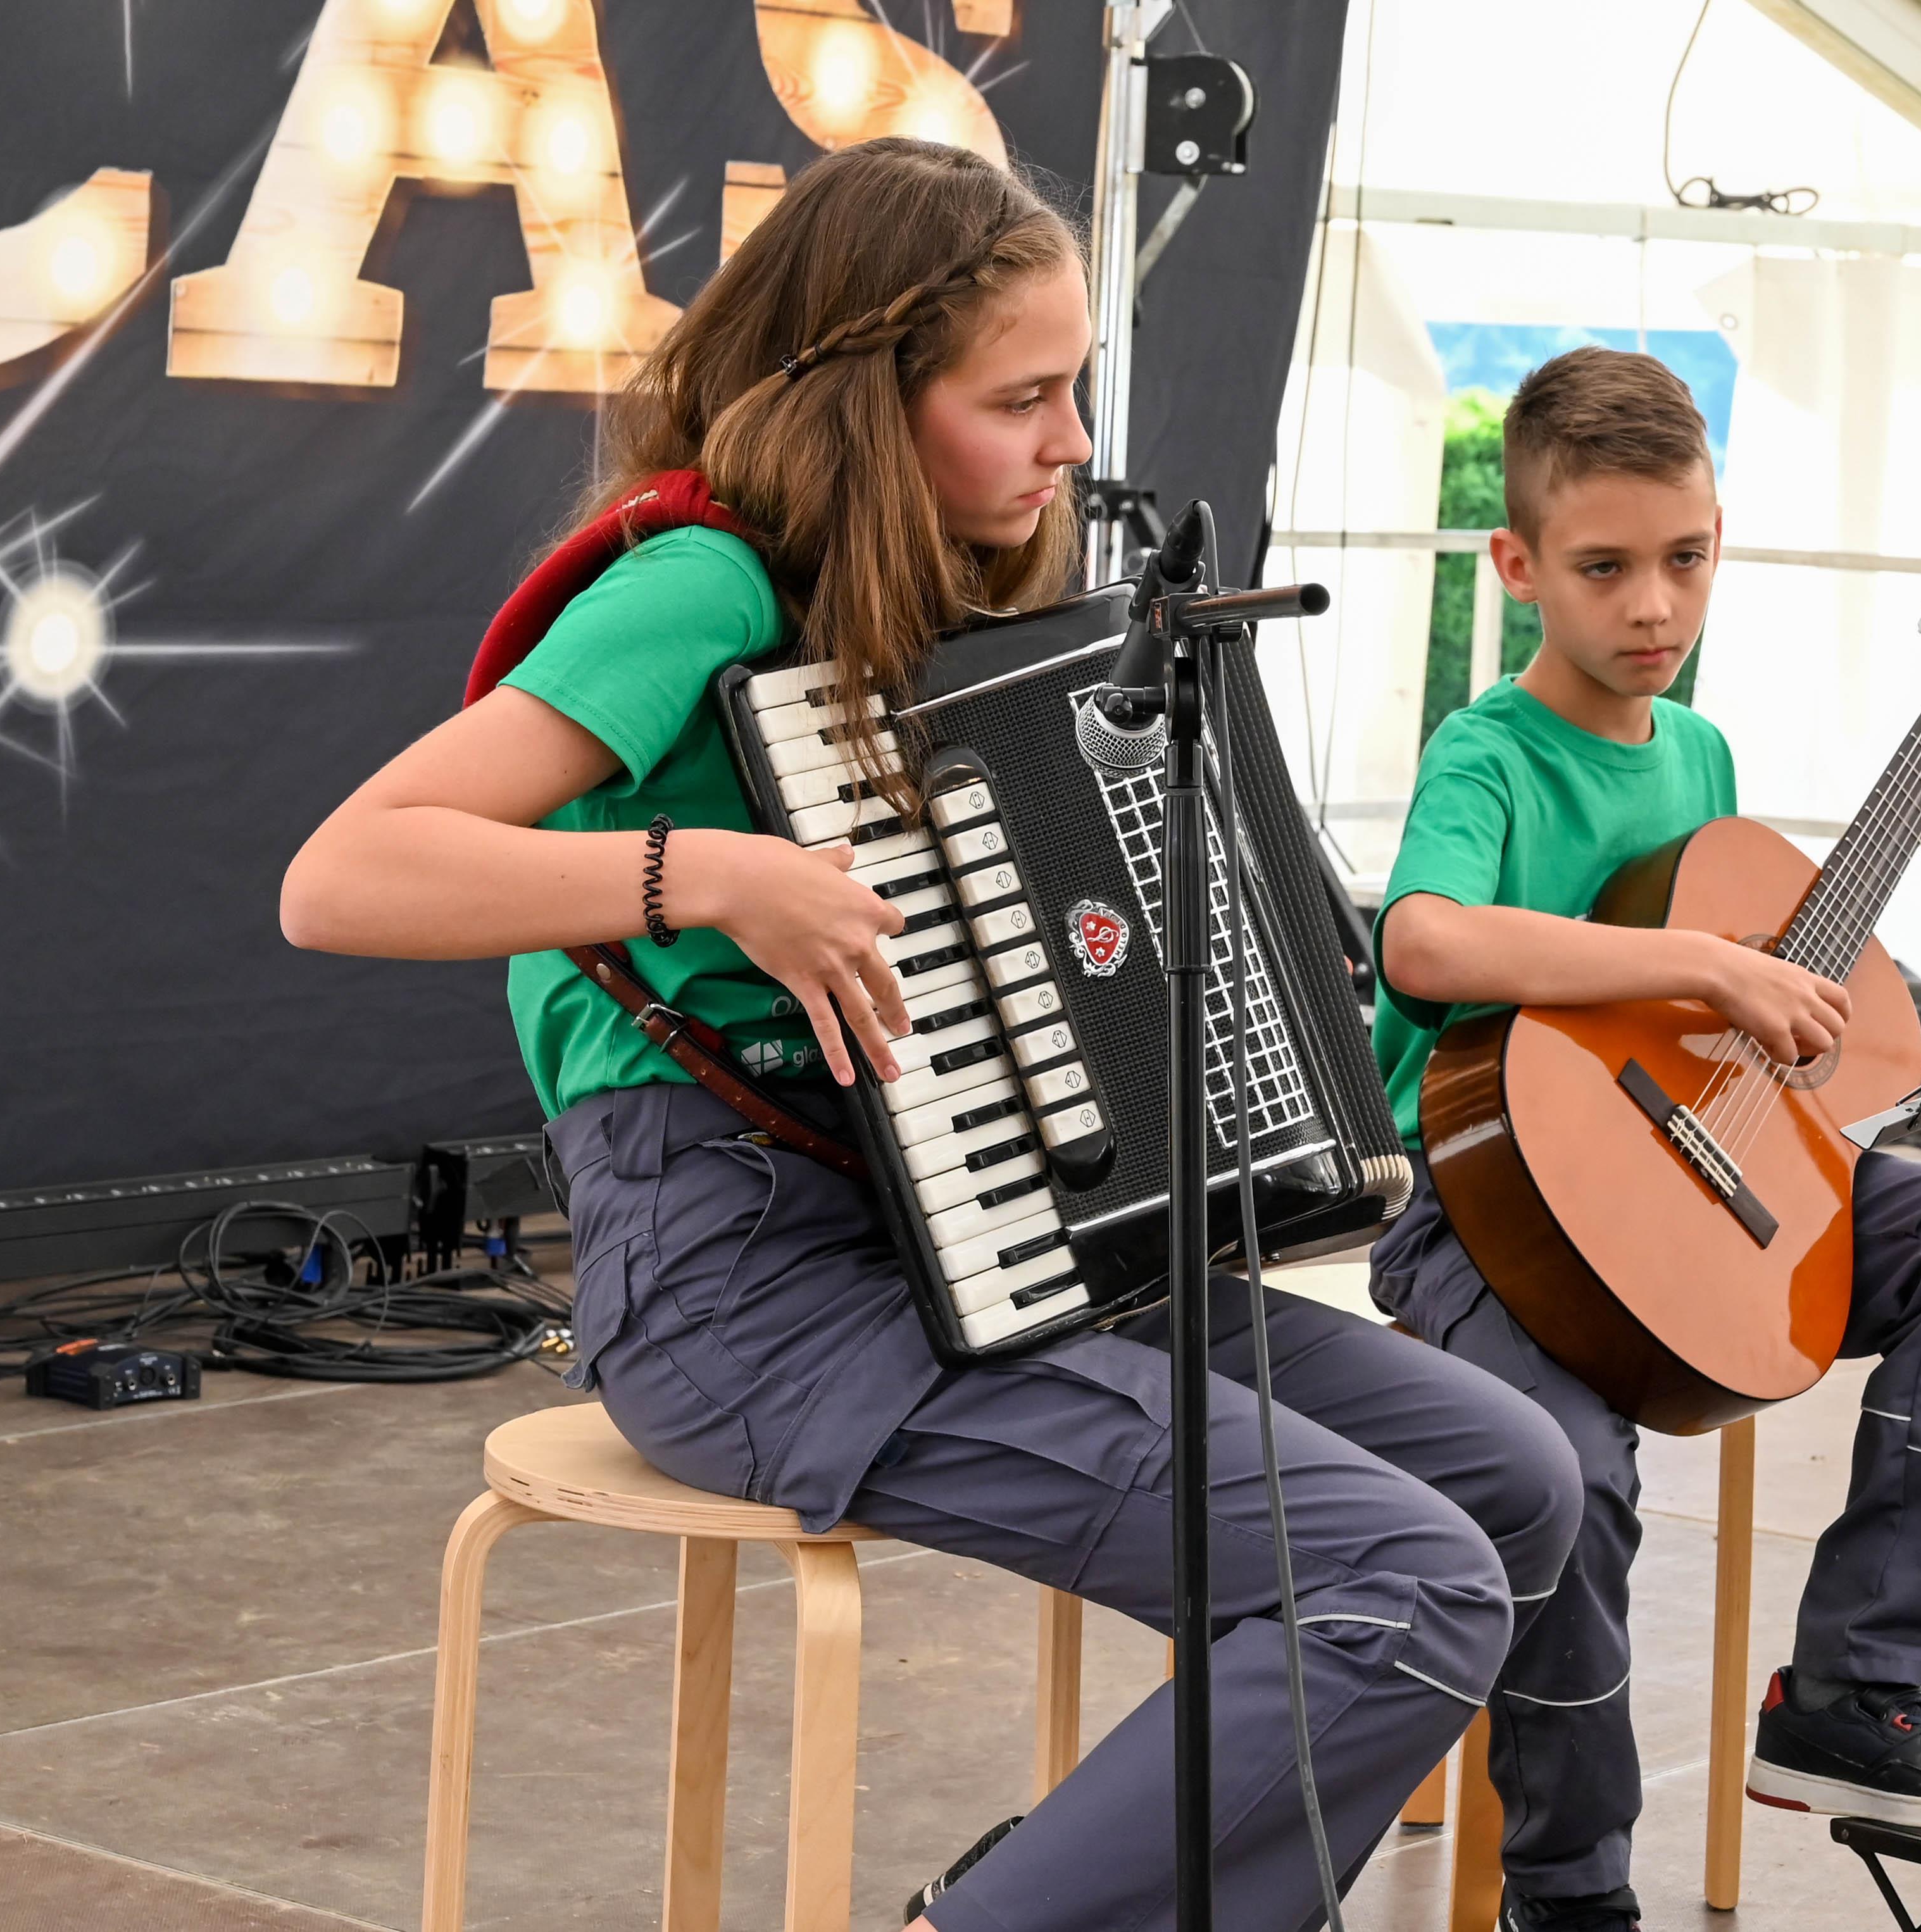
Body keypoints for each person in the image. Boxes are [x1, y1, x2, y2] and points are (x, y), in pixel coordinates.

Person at [281, 138, 1582, 1932]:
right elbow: (341, 875)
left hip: (969, 1234)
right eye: (1019, 400)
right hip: (738, 1280)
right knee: (1401, 1579)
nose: (1068, 444)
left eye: (1074, 391)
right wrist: (710, 872)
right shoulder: (702, 586)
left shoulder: (940, 598)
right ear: (864, 410)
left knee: (1510, 1481)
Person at [1368, 347, 1921, 1931]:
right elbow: (1424, 940)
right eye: (1604, 568)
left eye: (1686, 560)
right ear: (1517, 564)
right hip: (1485, 1223)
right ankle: (1571, 1893)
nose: (1654, 607)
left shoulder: (1698, 754)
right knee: (1569, 1475)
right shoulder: (1489, 751)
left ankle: (1855, 1686)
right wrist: (1700, 963)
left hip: (1683, 1191)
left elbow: (1738, 995)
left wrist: (1904, 826)